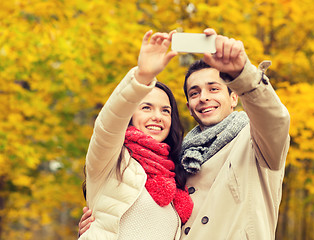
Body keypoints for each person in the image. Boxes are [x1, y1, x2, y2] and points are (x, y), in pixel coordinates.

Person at [79, 28, 290, 239]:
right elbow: (108, 126)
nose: (204, 97)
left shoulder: (255, 140)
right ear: (189, 106)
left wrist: (243, 74)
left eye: (214, 89)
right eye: (195, 92)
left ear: (234, 97)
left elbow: (275, 121)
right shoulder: (180, 163)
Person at [78, 30, 193, 240]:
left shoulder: (176, 174)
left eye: (165, 110)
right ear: (130, 115)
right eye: (146, 108)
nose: (157, 117)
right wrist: (142, 77)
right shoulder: (111, 159)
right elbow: (108, 123)